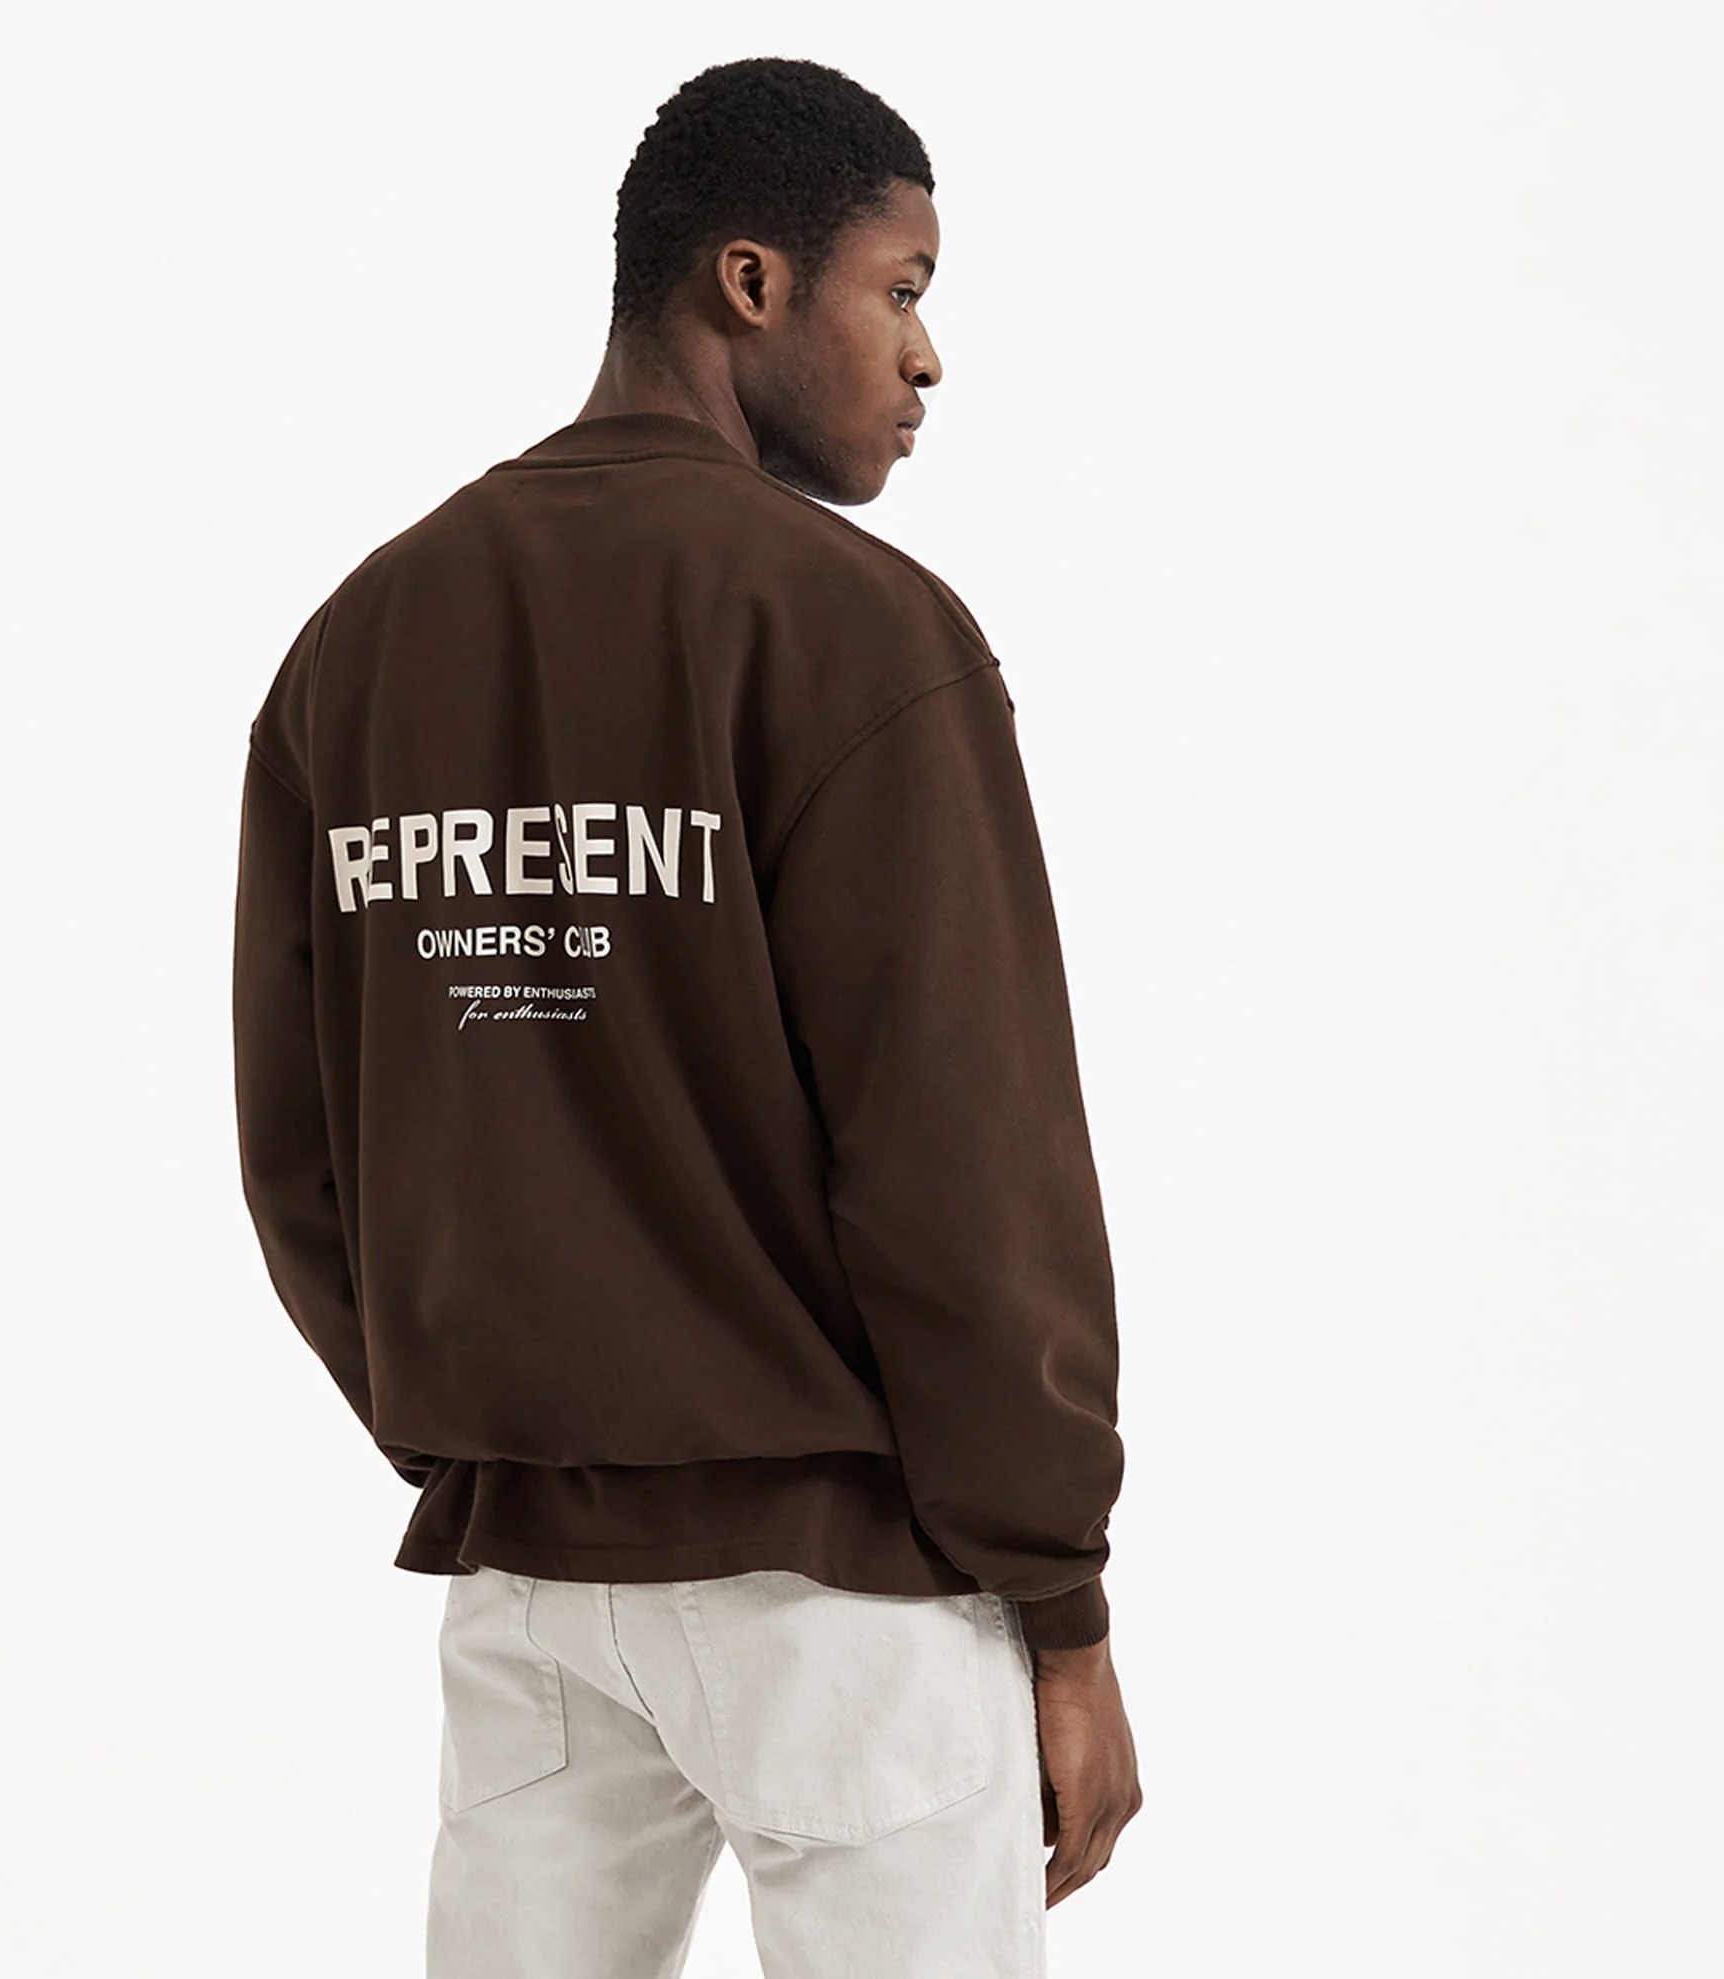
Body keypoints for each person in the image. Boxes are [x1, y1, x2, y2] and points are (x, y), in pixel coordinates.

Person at [232, 53, 1141, 1978]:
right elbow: (966, 1175)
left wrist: (491, 1434)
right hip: (850, 1599)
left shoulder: (362, 643)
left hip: (530, 1593)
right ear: (750, 281)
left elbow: (302, 1158)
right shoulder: (854, 634)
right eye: (900, 290)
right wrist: (1061, 1610)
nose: (928, 356)